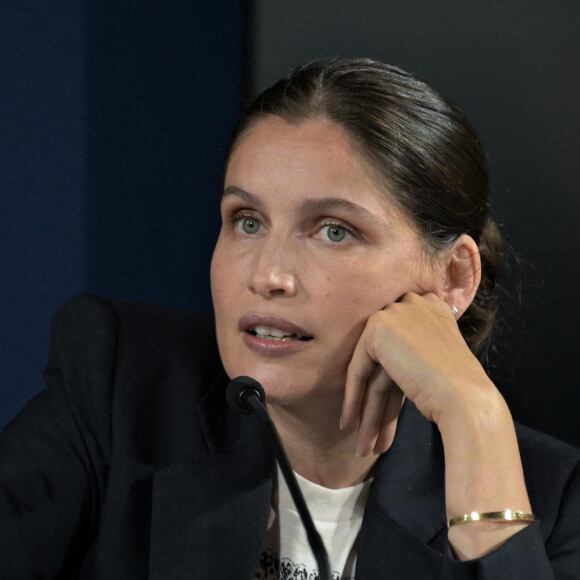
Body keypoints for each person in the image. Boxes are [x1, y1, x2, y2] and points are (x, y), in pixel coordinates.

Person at [0, 58, 578, 579]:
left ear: (453, 278)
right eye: (247, 220)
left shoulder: (552, 501)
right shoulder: (120, 389)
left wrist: (476, 422)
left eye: (333, 230)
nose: (268, 275)